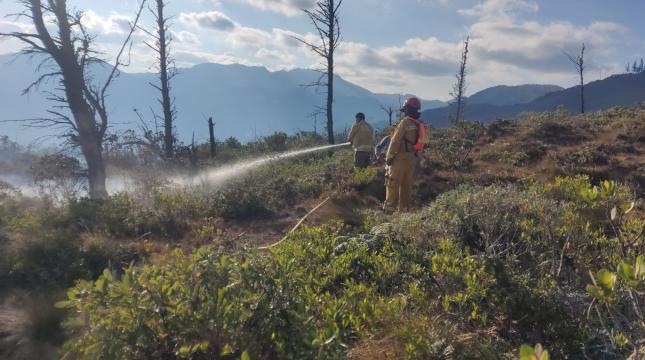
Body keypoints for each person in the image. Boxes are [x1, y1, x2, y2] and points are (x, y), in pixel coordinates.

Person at [384, 97, 422, 212]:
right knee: (406, 187)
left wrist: (389, 157)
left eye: (405, 109)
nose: (404, 111)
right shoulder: (419, 124)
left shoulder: (405, 122)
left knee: (392, 184)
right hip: (412, 160)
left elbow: (395, 141)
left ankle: (388, 211)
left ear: (408, 109)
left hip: (400, 159)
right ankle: (404, 211)